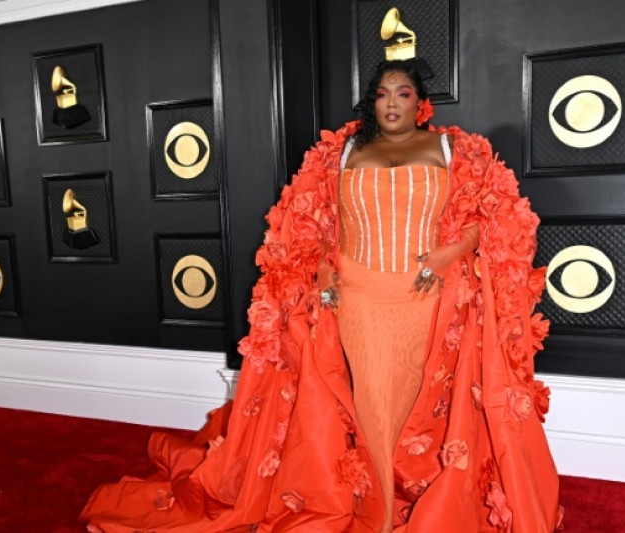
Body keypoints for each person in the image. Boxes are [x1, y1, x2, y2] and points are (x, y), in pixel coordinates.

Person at [80, 59, 563, 532]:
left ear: (421, 103)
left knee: (412, 403)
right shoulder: (342, 151)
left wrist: (450, 252)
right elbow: (307, 223)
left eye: (403, 94)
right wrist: (325, 270)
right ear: (371, 101)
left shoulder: (453, 148)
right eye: (382, 94)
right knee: (370, 398)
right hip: (357, 297)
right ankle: (381, 511)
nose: (392, 103)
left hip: (427, 300)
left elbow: (497, 215)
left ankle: (401, 491)